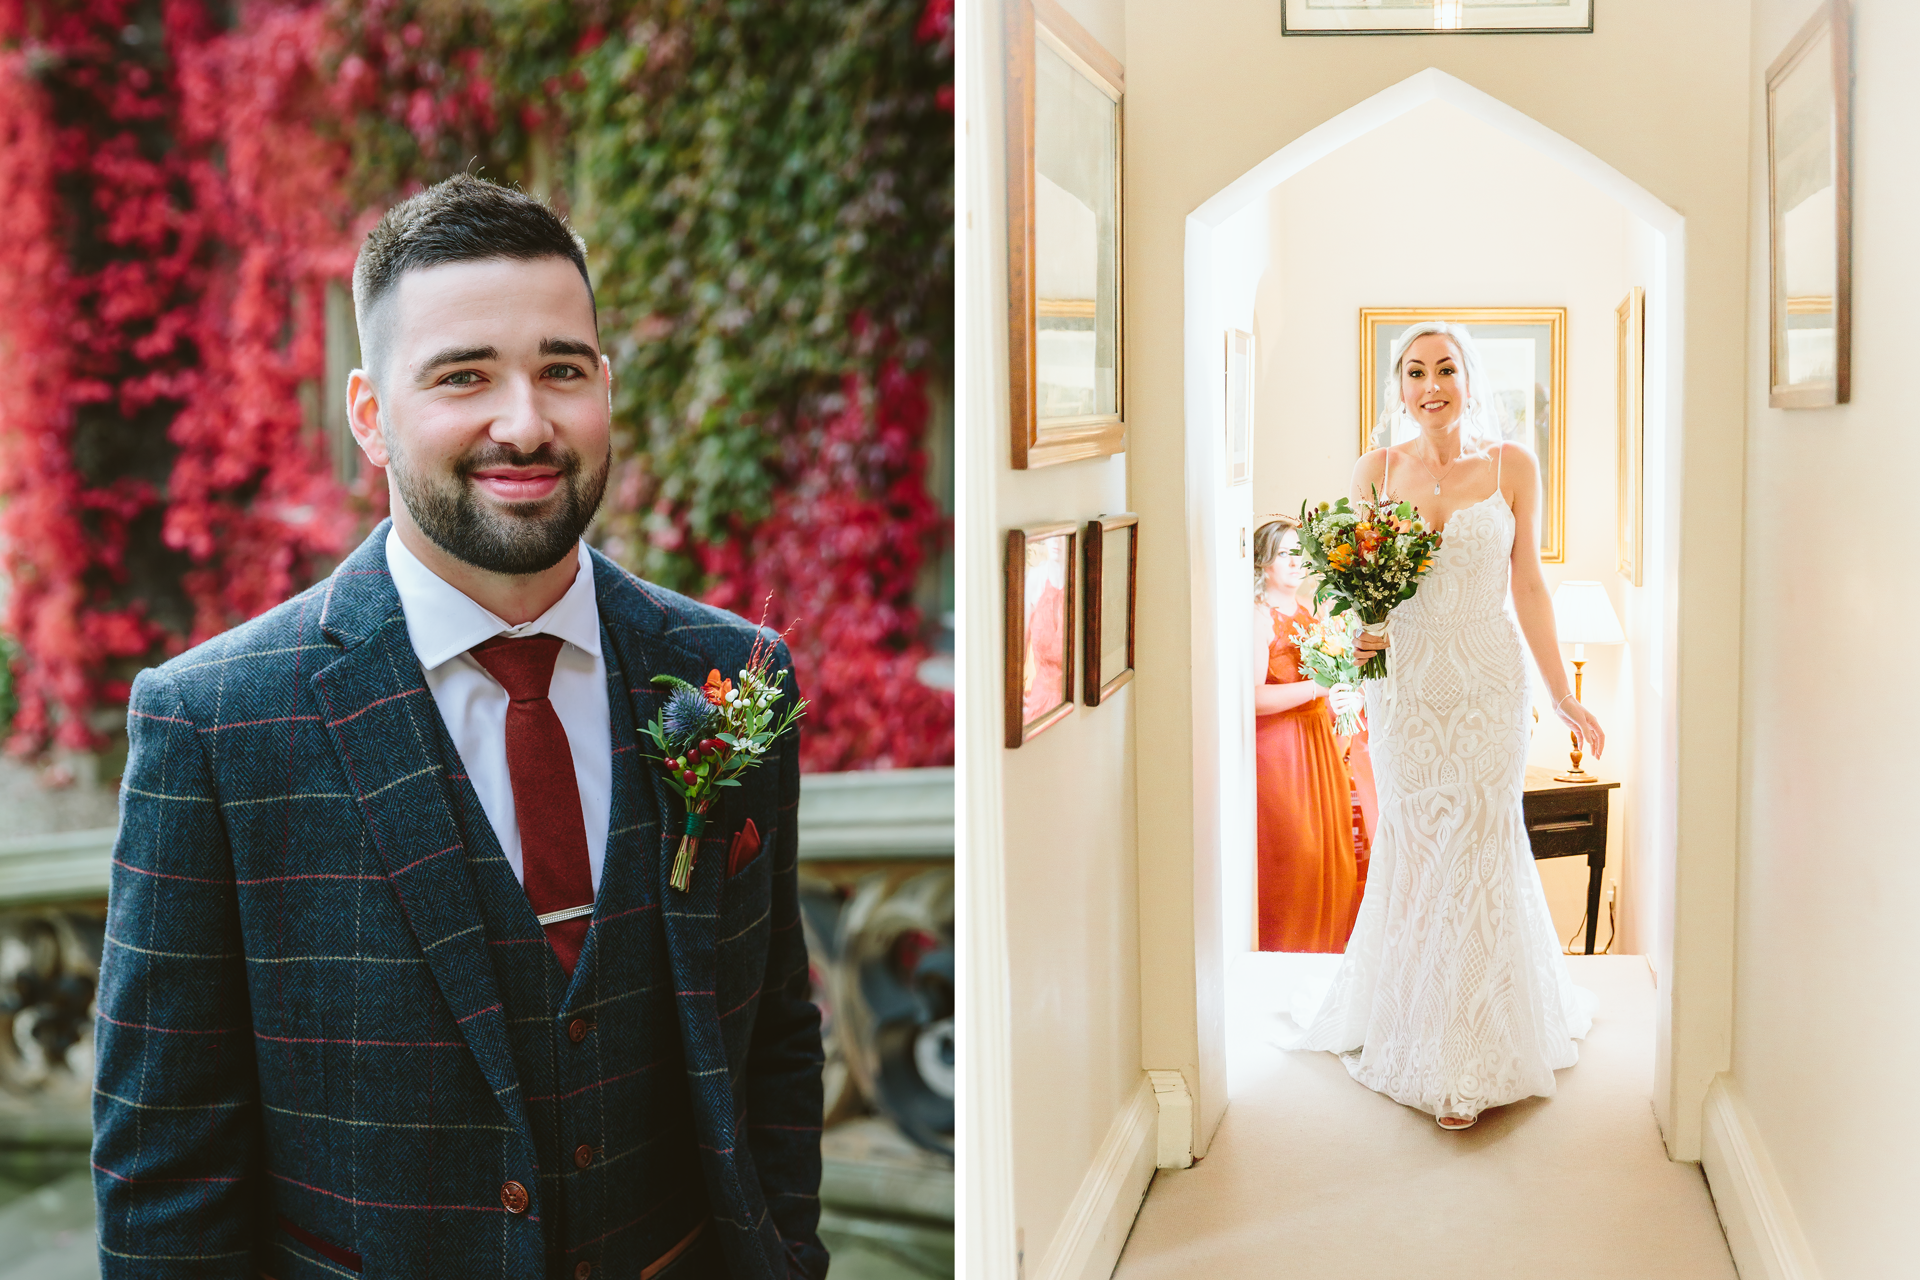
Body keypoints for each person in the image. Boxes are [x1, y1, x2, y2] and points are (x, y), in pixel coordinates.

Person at [91, 175, 826, 1278]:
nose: (524, 422)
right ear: (371, 415)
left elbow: (773, 1037)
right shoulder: (215, 726)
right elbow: (165, 1171)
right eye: (464, 376)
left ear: (607, 390)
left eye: (562, 370)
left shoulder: (733, 673)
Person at [1291, 321, 1604, 1131]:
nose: (1432, 385)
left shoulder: (1511, 467)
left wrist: (1562, 694)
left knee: (1481, 840)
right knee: (1423, 848)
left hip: (1488, 684)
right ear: (1399, 389)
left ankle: (1474, 1047)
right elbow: (1360, 592)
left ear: (1470, 380)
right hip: (1409, 689)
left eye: (1446, 370)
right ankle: (1420, 1028)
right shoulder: (1376, 471)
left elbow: (1528, 587)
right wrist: (1363, 629)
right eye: (1416, 372)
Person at [1251, 516, 1366, 952]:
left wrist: (1342, 696)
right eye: (1286, 553)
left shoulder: (1310, 613)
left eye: (1302, 551)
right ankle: (1286, 959)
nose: (1298, 561)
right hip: (1280, 750)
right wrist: (1316, 688)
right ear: (1264, 563)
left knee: (1332, 858)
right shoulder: (1259, 617)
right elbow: (1251, 699)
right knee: (1298, 858)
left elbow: (1334, 677)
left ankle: (1324, 964)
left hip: (1319, 744)